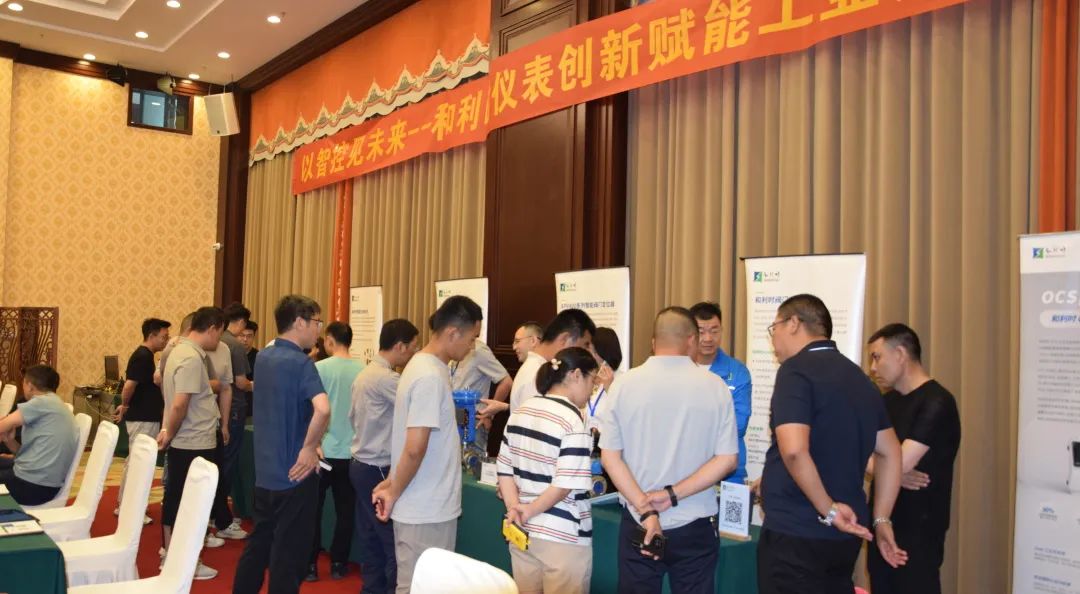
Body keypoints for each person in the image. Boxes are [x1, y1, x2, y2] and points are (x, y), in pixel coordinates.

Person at [757, 294, 907, 594]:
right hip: (843, 540)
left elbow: (794, 450)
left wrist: (829, 511)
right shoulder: (860, 379)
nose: (773, 340)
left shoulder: (796, 371)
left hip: (797, 533)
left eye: (775, 328)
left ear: (794, 323)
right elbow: (891, 453)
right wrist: (881, 519)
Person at [597, 307, 739, 594]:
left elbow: (610, 458)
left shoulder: (623, 385)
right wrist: (672, 494)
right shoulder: (715, 387)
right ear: (692, 340)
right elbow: (727, 460)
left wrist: (645, 507)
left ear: (654, 342)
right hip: (694, 523)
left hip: (639, 520)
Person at [372, 296, 483, 594]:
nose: (472, 346)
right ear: (453, 333)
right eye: (472, 338)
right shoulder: (429, 376)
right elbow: (414, 447)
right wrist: (394, 490)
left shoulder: (425, 367)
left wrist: (393, 482)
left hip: (426, 503)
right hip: (425, 508)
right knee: (419, 587)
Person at [233, 295, 331, 594]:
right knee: (289, 555)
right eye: (316, 322)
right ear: (300, 322)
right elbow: (323, 409)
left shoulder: (263, 357)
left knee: (259, 544)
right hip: (295, 475)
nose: (318, 329)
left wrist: (309, 440)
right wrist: (308, 447)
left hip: (266, 473)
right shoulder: (301, 363)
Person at [866, 323, 961, 594]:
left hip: (918, 528)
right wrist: (888, 470)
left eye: (877, 357)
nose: (873, 368)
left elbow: (899, 464)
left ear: (900, 354)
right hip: (882, 520)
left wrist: (888, 469)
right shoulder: (887, 402)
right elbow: (863, 455)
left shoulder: (937, 401)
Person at [497, 347, 598, 594]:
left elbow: (505, 471)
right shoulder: (573, 420)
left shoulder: (521, 411)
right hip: (564, 537)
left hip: (522, 530)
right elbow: (564, 485)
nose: (592, 390)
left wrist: (516, 510)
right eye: (592, 381)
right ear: (576, 375)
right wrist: (529, 510)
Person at [350, 319, 420, 594]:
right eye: (413, 347)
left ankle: (371, 589)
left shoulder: (365, 373)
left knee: (370, 537)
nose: (414, 353)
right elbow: (419, 408)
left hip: (361, 464)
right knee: (391, 540)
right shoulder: (389, 380)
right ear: (400, 346)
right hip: (378, 467)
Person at [158, 306, 227, 580]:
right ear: (211, 328)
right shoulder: (189, 357)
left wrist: (169, 430)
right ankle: (182, 561)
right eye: (219, 333)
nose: (219, 340)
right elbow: (180, 404)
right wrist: (169, 432)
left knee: (177, 499)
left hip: (188, 439)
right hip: (192, 441)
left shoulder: (179, 351)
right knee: (190, 504)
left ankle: (173, 556)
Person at [307, 321, 365, 582]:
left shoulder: (318, 368)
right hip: (352, 453)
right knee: (346, 511)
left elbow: (311, 410)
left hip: (321, 452)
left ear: (329, 340)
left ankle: (310, 564)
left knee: (313, 509)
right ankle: (339, 562)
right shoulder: (364, 371)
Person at [482, 310, 596, 421]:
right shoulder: (537, 374)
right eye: (585, 345)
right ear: (565, 339)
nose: (587, 352)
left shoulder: (538, 368)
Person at [114, 317, 171, 522]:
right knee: (139, 462)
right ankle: (129, 508)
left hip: (147, 417)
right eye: (164, 337)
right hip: (143, 418)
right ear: (152, 335)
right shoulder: (142, 356)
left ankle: (127, 505)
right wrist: (125, 405)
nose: (166, 341)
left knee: (137, 461)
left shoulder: (147, 356)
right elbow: (129, 385)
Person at [689, 302, 752, 485]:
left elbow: (739, 424)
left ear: (722, 330)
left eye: (714, 331)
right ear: (690, 334)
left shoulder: (738, 372)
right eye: (701, 332)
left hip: (729, 474)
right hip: (687, 470)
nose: (708, 338)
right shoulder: (679, 370)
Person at [0, 365, 78, 506]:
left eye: (23, 383)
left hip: (32, 486)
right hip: (40, 483)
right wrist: (9, 440)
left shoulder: (41, 402)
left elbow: (2, 425)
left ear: (30, 386)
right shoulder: (55, 403)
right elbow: (25, 453)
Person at [212, 302, 253, 542]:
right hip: (234, 410)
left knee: (217, 463)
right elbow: (240, 383)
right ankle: (221, 518)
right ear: (241, 322)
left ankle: (215, 514)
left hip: (214, 410)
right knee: (226, 465)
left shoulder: (215, 341)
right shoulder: (234, 345)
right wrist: (256, 385)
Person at [450, 339, 511, 451]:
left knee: (472, 460)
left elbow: (506, 382)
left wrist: (488, 414)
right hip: (456, 418)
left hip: (473, 419)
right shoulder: (456, 348)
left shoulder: (479, 350)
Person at [239, 320, 259, 417]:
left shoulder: (259, 357)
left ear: (254, 337)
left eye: (249, 336)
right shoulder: (232, 354)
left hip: (252, 405)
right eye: (242, 335)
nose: (245, 339)